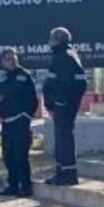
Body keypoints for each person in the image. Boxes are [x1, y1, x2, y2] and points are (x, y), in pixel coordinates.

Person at [43, 27, 88, 186]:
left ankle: (68, 174)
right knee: (61, 138)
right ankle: (62, 172)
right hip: (63, 104)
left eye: (52, 38)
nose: (49, 41)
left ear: (58, 40)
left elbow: (67, 82)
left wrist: (60, 102)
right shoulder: (63, 55)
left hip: (63, 105)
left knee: (64, 138)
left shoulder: (64, 56)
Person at [0, 48, 39, 197]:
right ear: (2, 61)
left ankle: (26, 186)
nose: (11, 61)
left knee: (21, 155)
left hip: (20, 121)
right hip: (7, 122)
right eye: (7, 59)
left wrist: (26, 116)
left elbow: (33, 100)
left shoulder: (24, 76)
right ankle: (12, 185)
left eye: (13, 58)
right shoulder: (3, 78)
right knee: (8, 155)